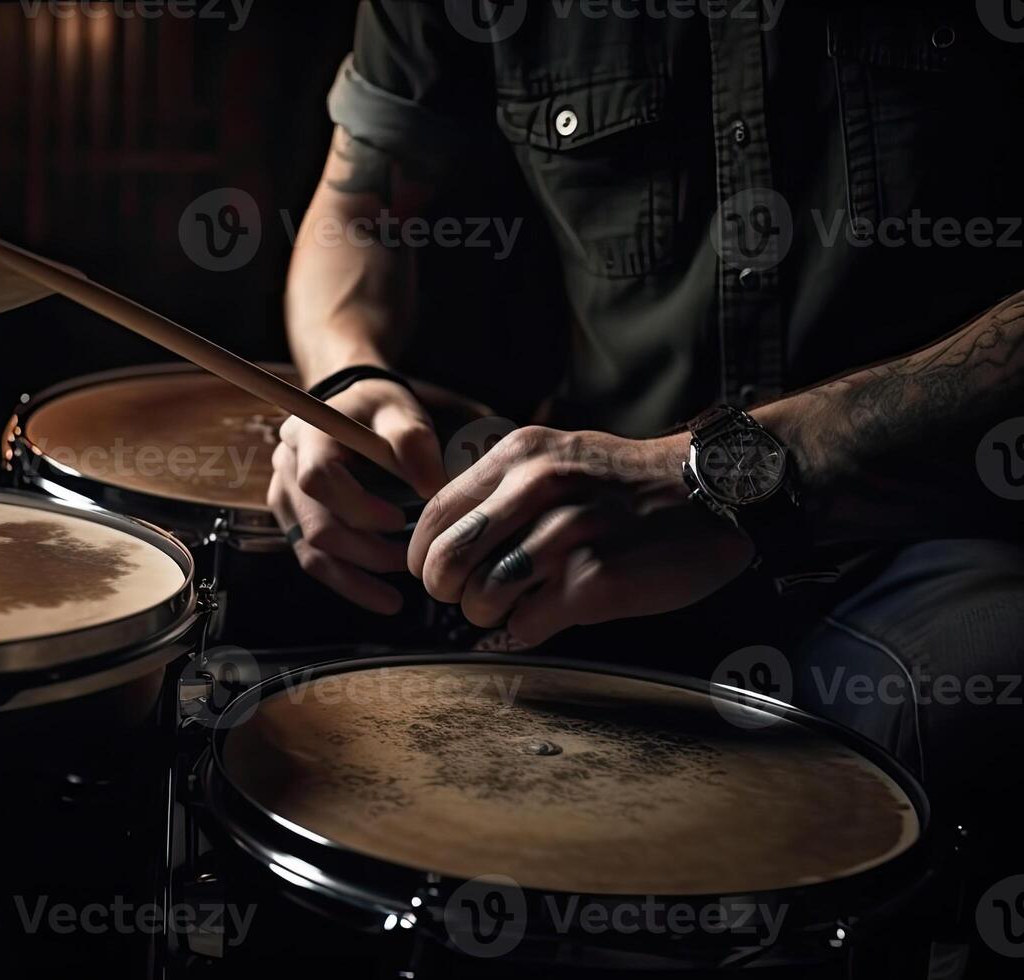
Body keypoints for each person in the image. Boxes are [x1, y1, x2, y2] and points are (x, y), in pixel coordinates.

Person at [267, 2, 1024, 808]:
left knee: (987, 710)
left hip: (932, 534)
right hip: (593, 547)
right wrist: (348, 381)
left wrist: (722, 482)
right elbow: (357, 211)